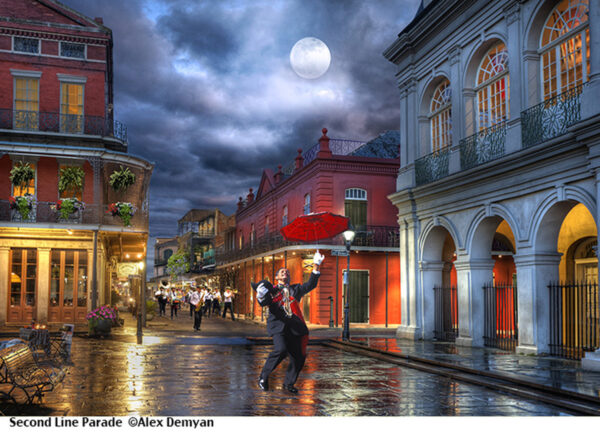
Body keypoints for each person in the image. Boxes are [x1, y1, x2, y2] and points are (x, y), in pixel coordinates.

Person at [255, 250, 324, 394]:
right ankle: (263, 377)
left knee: (298, 357)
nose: (285, 273)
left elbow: (311, 284)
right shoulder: (272, 291)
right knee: (280, 350)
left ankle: (288, 384)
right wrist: (260, 295)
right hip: (278, 327)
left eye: (287, 272)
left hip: (294, 327)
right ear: (277, 277)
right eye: (282, 272)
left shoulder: (295, 289)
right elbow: (263, 302)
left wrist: (316, 265)